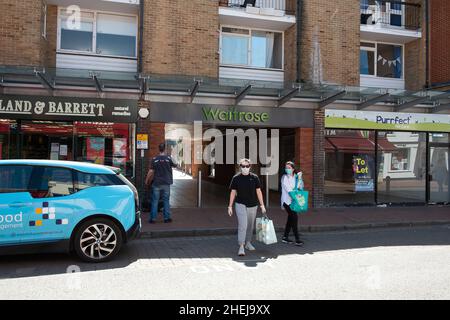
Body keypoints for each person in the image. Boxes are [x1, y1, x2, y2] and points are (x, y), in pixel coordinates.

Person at [228, 158, 267, 257]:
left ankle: (248, 242)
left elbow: (258, 192)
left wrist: (262, 205)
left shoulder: (254, 178)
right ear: (240, 167)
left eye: (247, 166)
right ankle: (241, 245)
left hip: (253, 205)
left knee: (250, 225)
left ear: (250, 167)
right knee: (243, 225)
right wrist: (230, 206)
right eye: (243, 166)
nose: (245, 168)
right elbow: (233, 192)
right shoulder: (236, 178)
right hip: (240, 204)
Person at [145, 143, 177, 223]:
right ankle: (167, 218)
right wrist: (171, 156)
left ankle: (153, 219)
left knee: (155, 201)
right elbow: (175, 165)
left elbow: (151, 171)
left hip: (156, 183)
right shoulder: (168, 159)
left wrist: (147, 180)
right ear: (165, 149)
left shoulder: (154, 159)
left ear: (159, 149)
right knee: (166, 200)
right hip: (166, 183)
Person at [280, 161, 304, 246]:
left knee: (291, 218)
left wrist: (300, 178)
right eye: (286, 168)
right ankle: (297, 239)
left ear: (293, 169)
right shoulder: (284, 178)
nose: (287, 169)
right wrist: (297, 197)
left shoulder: (296, 177)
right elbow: (289, 190)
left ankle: (285, 237)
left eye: (289, 168)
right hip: (287, 201)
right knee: (294, 217)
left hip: (294, 201)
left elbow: (301, 187)